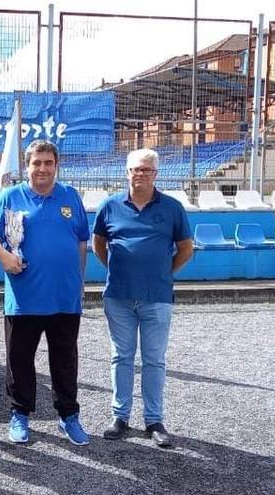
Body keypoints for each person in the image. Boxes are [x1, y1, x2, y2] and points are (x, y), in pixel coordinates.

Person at [0, 139, 91, 446]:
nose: (42, 168)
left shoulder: (71, 196)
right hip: (24, 298)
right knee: (19, 360)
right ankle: (20, 413)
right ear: (27, 166)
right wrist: (4, 257)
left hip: (64, 298)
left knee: (65, 360)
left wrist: (79, 281)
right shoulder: (10, 197)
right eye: (36, 163)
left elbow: (82, 241)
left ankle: (68, 415)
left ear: (56, 165)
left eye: (48, 163)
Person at [91, 149, 193, 448]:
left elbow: (186, 248)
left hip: (157, 296)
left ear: (156, 174)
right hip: (118, 296)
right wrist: (114, 268)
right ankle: (120, 417)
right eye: (135, 169)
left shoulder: (172, 208)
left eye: (146, 170)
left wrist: (164, 273)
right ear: (127, 173)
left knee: (154, 360)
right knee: (120, 357)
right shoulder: (109, 206)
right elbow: (99, 243)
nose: (140, 174)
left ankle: (154, 420)